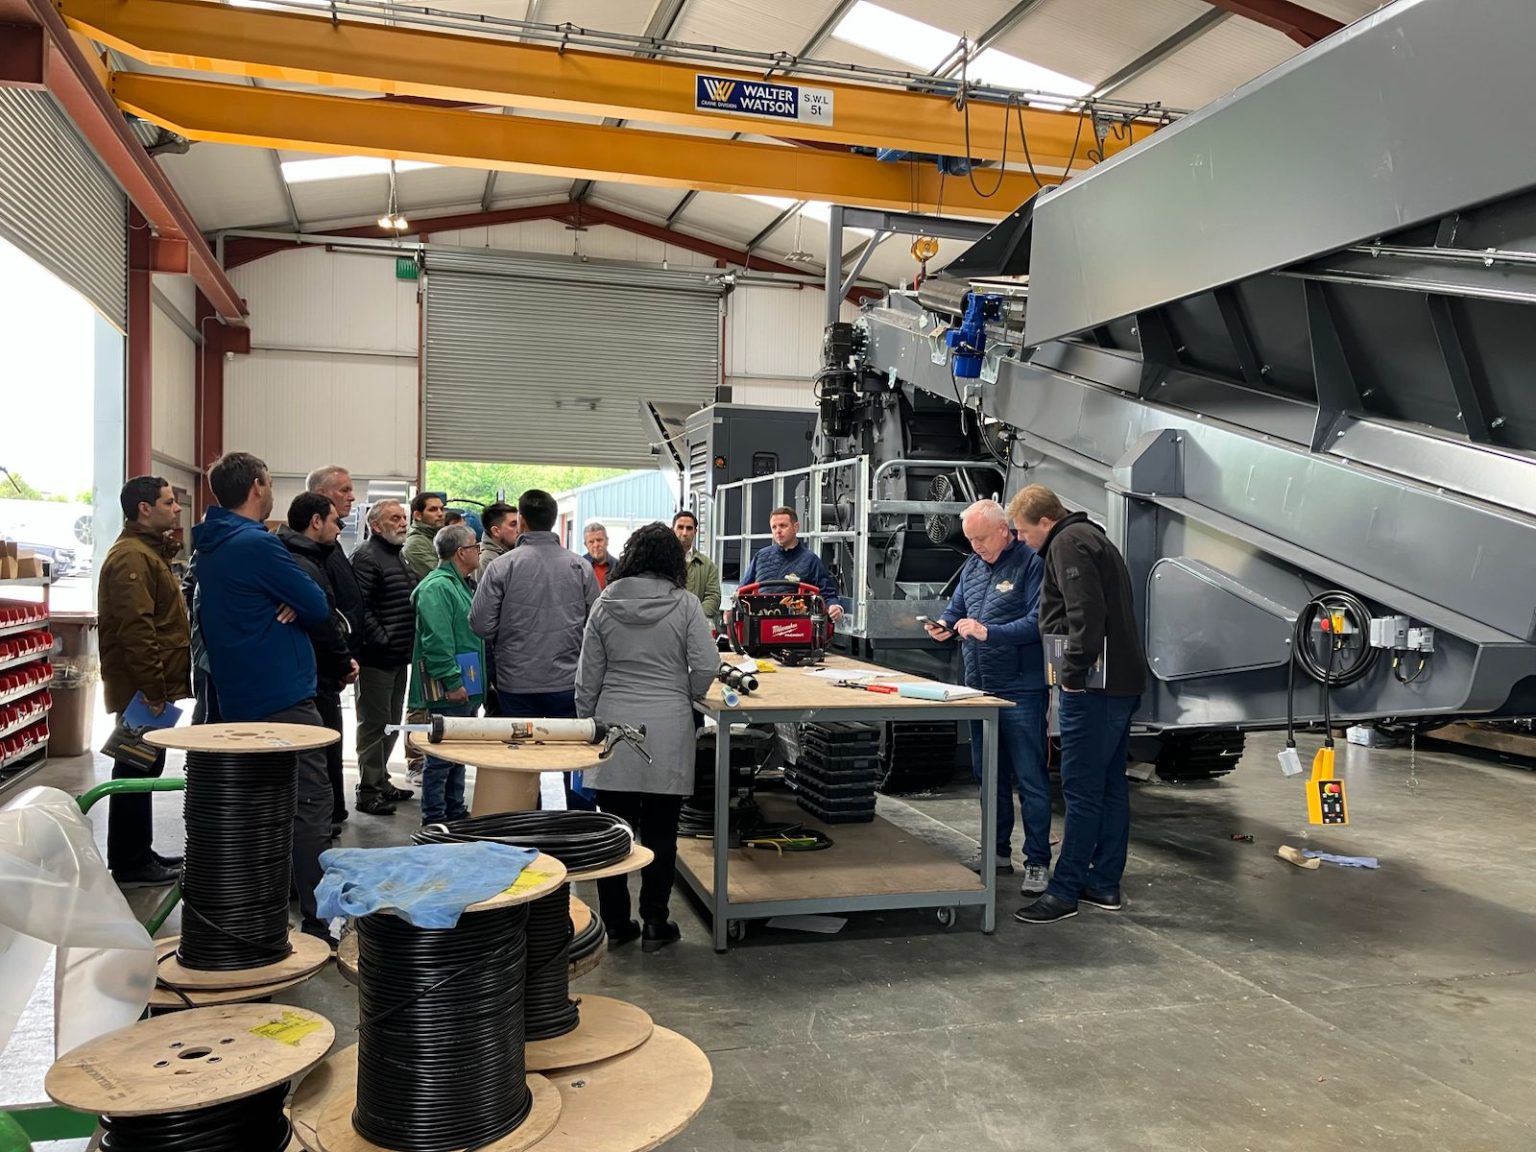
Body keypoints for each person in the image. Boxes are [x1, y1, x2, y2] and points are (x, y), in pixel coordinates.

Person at [194, 451, 336, 943]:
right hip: (283, 694)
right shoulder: (256, 544)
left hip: (239, 693)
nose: (273, 491)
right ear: (257, 487)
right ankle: (320, 918)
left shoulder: (211, 543)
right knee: (310, 802)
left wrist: (285, 598)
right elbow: (316, 603)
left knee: (261, 806)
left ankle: (259, 909)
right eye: (271, 482)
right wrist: (292, 598)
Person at [1007, 485, 1146, 925]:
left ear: (1046, 522)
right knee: (1108, 786)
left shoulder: (1067, 543)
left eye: (1023, 531)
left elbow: (1086, 615)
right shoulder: (1092, 537)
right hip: (1118, 685)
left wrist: (1070, 676)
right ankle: (1102, 883)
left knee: (1082, 790)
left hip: (1092, 689)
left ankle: (1064, 891)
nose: (1021, 539)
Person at [577, 523, 716, 952]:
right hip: (668, 725)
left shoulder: (604, 603)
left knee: (614, 832)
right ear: (673, 560)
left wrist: (588, 724)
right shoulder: (686, 604)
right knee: (661, 831)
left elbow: (587, 677)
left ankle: (616, 923)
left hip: (615, 726)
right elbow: (707, 664)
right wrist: (687, 694)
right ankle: (656, 921)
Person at [924, 500, 1050, 893]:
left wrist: (988, 633)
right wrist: (944, 625)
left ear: (1003, 530)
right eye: (970, 540)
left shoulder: (1032, 563)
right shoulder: (974, 565)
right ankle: (996, 852)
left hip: (1020, 689)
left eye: (980, 538)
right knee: (988, 775)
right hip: (979, 687)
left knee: (1030, 777)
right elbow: (957, 608)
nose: (975, 546)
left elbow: (1039, 622)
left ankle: (1038, 862)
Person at [471, 489, 599, 809]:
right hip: (568, 683)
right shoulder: (579, 567)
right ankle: (581, 826)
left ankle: (528, 824)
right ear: (554, 521)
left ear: (522, 521)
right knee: (575, 760)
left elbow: (481, 625)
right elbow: (596, 626)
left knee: (522, 765)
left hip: (516, 684)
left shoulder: (502, 566)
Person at [97, 475, 191, 888]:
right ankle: (130, 862)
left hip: (150, 686)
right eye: (169, 502)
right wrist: (153, 689)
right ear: (144, 508)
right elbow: (136, 630)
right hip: (143, 689)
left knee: (143, 765)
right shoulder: (132, 558)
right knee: (135, 766)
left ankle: (138, 852)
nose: (177, 508)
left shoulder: (148, 552)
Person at [279, 492, 360, 835]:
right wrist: (342, 663)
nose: (339, 528)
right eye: (334, 521)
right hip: (314, 676)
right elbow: (322, 622)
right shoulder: (301, 564)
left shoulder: (314, 557)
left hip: (321, 672)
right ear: (315, 521)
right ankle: (319, 827)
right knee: (318, 755)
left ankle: (329, 816)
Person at [408, 523, 485, 824]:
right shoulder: (437, 587)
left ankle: (455, 813)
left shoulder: (458, 584)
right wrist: (452, 681)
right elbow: (437, 642)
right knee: (441, 758)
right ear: (461, 552)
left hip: (465, 684)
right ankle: (434, 819)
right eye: (475, 545)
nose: (479, 550)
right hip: (449, 687)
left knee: (457, 755)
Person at [351, 499, 417, 815]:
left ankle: (381, 780)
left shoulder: (397, 554)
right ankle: (367, 791)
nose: (403, 522)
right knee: (373, 725)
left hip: (397, 655)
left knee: (390, 724)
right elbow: (359, 608)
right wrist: (383, 639)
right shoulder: (366, 557)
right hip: (376, 657)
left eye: (403, 517)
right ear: (376, 525)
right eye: (395, 518)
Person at [739, 506, 845, 621]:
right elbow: (742, 590)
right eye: (774, 527)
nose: (778, 531)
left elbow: (827, 593)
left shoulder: (810, 560)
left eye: (783, 526)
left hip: (795, 625)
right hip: (758, 622)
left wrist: (834, 607)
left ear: (796, 527)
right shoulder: (761, 556)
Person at [672, 510, 720, 623]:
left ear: (695, 532)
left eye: (689, 528)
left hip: (695, 625)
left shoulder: (708, 565)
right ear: (672, 530)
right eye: (680, 527)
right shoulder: (660, 562)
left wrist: (696, 617)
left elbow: (713, 596)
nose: (684, 533)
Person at [402, 491, 445, 581]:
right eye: (433, 509)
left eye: (441, 509)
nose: (440, 513)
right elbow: (440, 578)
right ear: (418, 515)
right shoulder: (416, 543)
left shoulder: (436, 537)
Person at [477, 501, 520, 581]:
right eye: (513, 524)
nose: (519, 529)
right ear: (496, 531)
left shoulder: (516, 550)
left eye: (520, 523)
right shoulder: (486, 559)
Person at [583, 523, 615, 590]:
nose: (596, 545)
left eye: (599, 540)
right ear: (586, 545)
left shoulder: (618, 566)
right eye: (591, 542)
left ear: (607, 541)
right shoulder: (579, 568)